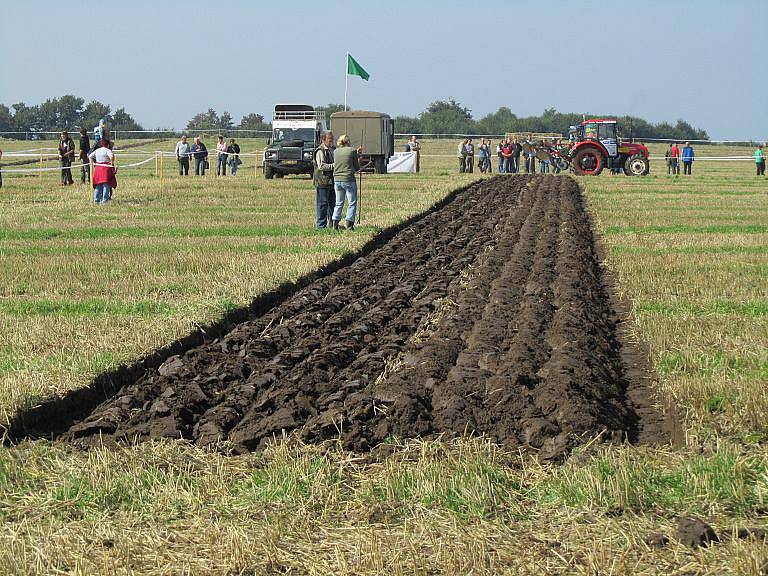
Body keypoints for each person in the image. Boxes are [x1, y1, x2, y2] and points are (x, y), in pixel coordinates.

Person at [331, 134, 360, 230]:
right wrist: (359, 157)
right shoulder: (352, 150)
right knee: (352, 202)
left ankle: (335, 223)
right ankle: (349, 223)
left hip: (337, 179)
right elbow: (356, 167)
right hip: (348, 179)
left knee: (339, 202)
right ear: (348, 142)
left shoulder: (336, 151)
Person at [313, 131, 335, 229]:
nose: (332, 141)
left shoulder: (332, 150)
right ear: (323, 139)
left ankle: (332, 224)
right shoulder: (320, 151)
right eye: (330, 139)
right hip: (322, 182)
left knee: (332, 204)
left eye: (332, 138)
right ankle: (321, 225)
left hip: (331, 181)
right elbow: (321, 166)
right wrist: (335, 166)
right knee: (322, 204)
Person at [87, 139, 116, 204]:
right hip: (106, 168)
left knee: (98, 185)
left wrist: (92, 162)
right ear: (107, 145)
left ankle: (96, 200)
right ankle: (105, 200)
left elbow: (90, 156)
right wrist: (112, 162)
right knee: (106, 185)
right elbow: (112, 156)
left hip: (98, 168)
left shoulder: (97, 150)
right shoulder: (107, 150)